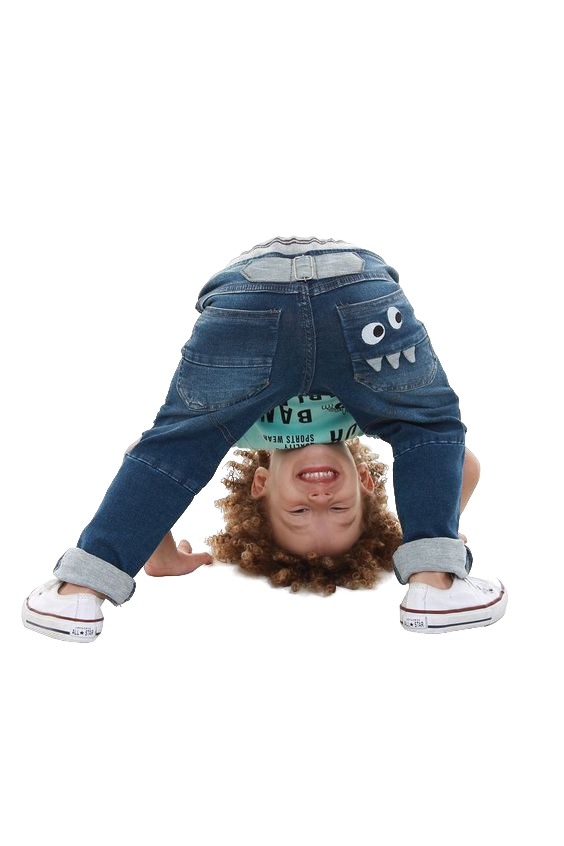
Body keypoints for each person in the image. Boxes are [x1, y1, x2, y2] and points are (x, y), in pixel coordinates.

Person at [21, 236, 508, 644]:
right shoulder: (367, 425)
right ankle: (435, 583)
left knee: (173, 448)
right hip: (356, 284)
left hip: (249, 294)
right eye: (339, 510)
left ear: (261, 485)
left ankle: (80, 592)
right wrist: (435, 533)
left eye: (299, 512)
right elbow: (463, 465)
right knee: (429, 425)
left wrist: (158, 550)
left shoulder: (241, 435)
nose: (320, 497)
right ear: (367, 481)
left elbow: (152, 460)